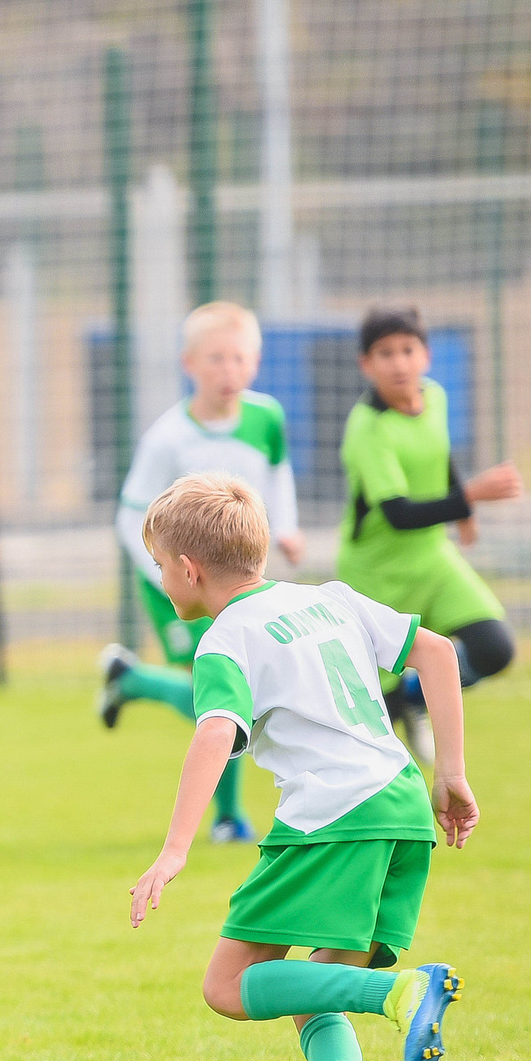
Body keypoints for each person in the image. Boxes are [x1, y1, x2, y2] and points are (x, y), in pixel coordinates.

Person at [125, 472, 474, 1061]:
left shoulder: (225, 639)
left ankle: (400, 992)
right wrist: (451, 773)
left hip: (333, 816)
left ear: (189, 569)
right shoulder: (328, 598)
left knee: (229, 985)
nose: (160, 579)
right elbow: (438, 651)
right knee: (315, 986)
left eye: (159, 566)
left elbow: (214, 730)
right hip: (401, 804)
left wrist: (174, 848)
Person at [98, 301, 303, 845]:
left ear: (255, 362)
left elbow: (278, 475)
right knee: (219, 694)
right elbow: (129, 517)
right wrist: (169, 576)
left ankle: (130, 680)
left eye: (240, 358)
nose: (228, 370)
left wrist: (285, 528)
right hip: (176, 585)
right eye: (216, 358)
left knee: (219, 692)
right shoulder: (168, 438)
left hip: (232, 581)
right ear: (189, 363)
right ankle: (228, 817)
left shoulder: (267, 417)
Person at [338, 305, 522, 765]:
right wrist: (470, 496)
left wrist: (463, 510)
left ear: (426, 356)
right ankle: (393, 709)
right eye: (385, 353)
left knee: (494, 650)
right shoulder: (368, 427)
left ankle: (413, 697)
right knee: (372, 726)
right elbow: (398, 514)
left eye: (408, 350)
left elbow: (439, 453)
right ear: (366, 364)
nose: (398, 363)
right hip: (376, 575)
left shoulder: (434, 397)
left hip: (433, 560)